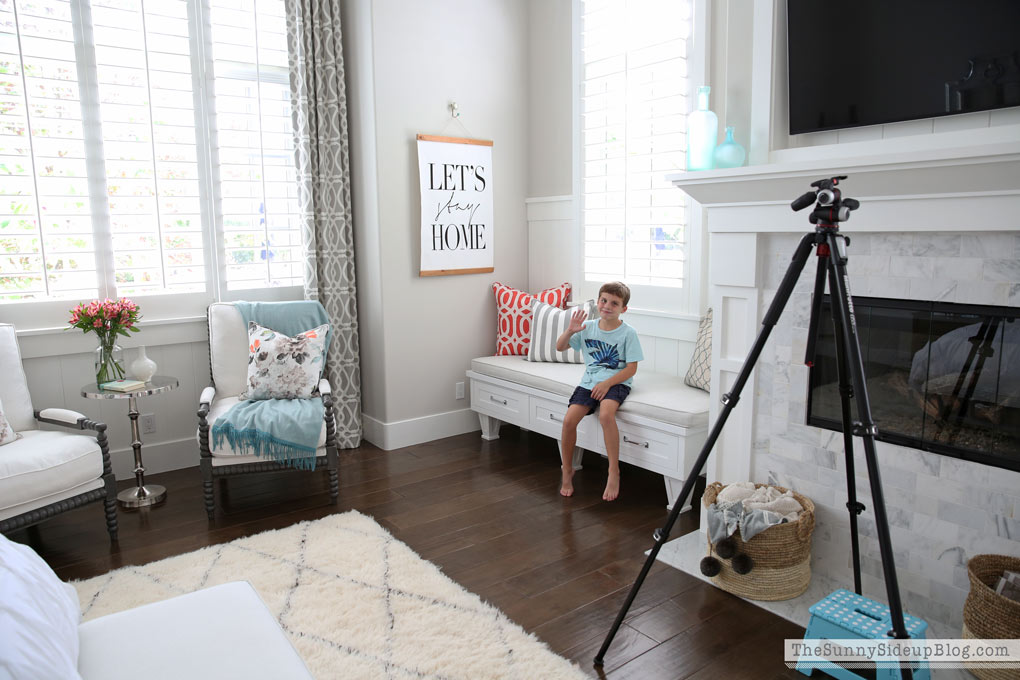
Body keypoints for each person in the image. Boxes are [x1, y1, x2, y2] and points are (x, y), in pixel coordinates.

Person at [556, 281, 643, 501]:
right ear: (598, 302)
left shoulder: (628, 333)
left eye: (614, 303)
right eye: (604, 300)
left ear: (623, 309)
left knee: (605, 414)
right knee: (568, 421)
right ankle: (567, 469)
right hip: (589, 383)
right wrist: (569, 331)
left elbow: (631, 368)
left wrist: (607, 384)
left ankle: (613, 470)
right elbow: (560, 347)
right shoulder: (589, 327)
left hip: (616, 382)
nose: (607, 306)